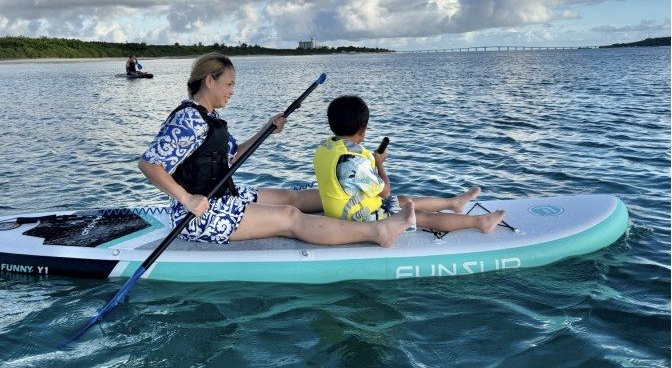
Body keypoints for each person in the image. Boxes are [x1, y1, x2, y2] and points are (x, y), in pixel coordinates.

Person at [138, 52, 414, 248]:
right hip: (199, 215)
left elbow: (234, 156)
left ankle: (366, 203)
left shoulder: (209, 117)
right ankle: (377, 231)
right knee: (289, 217)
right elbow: (149, 164)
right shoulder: (188, 119)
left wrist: (266, 129)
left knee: (292, 197)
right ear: (210, 80)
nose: (232, 90)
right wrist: (187, 199)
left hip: (223, 195)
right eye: (229, 84)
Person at [313, 95, 505, 234]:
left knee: (405, 199)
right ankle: (480, 222)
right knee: (420, 216)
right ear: (363, 130)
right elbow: (385, 191)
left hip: (346, 210)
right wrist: (379, 164)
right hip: (358, 219)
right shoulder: (354, 161)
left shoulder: (325, 148)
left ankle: (453, 203)